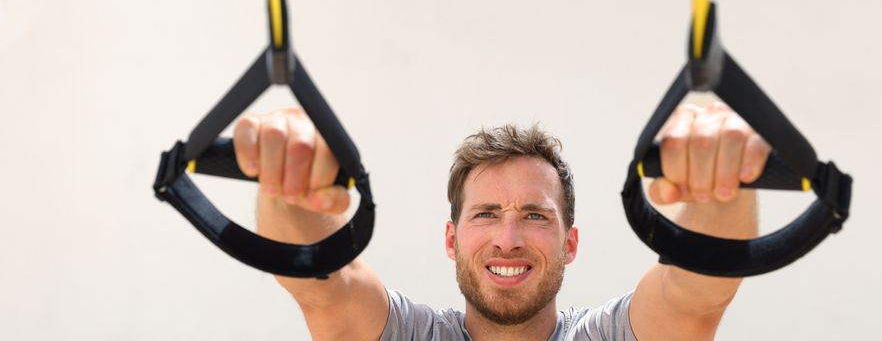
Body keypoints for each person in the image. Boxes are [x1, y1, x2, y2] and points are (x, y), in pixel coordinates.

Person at [230, 102, 770, 341]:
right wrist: (288, 181)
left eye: (535, 216)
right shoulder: (406, 334)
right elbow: (322, 282)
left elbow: (696, 291)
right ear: (451, 238)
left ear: (570, 242)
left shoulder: (610, 335)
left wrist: (723, 179)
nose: (508, 239)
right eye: (486, 214)